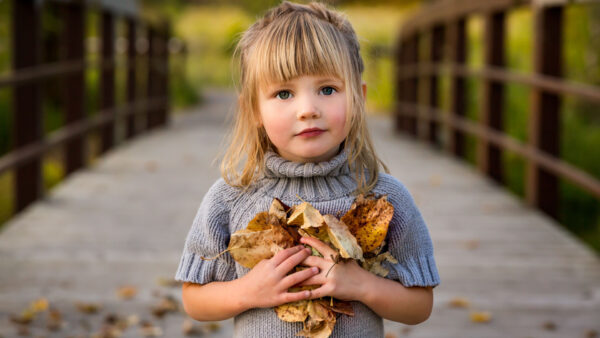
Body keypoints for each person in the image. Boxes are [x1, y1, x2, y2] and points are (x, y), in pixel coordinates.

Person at [175, 1, 440, 336]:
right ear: (253, 109)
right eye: (284, 93)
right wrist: (247, 292)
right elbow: (194, 299)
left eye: (327, 90)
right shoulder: (230, 199)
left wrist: (360, 286)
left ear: (358, 99)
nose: (307, 110)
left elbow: (420, 306)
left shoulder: (384, 199)